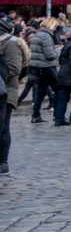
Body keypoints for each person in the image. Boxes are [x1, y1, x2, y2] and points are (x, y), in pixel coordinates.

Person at [0, 22, 23, 173]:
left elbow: (14, 68)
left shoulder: (11, 44)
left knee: (3, 128)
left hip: (7, 91)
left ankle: (3, 161)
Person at [49, 25, 71, 127]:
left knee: (62, 97)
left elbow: (61, 59)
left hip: (64, 73)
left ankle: (59, 118)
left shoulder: (68, 43)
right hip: (69, 75)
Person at [25, 19, 56, 123]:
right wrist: (58, 51)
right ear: (50, 26)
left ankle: (35, 115)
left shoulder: (37, 35)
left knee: (40, 93)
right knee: (60, 90)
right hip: (47, 67)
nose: (55, 28)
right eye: (55, 26)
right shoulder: (46, 36)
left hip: (37, 67)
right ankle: (58, 115)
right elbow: (50, 55)